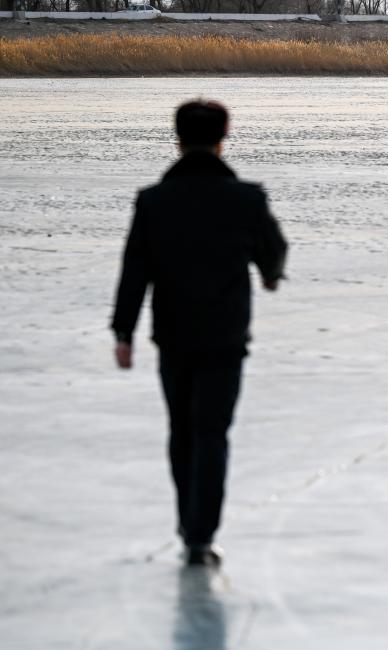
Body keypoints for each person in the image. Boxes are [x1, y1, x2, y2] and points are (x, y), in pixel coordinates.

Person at [111, 100, 288, 568]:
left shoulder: (154, 201)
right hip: (225, 335)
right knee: (212, 433)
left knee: (181, 430)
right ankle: (200, 535)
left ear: (178, 139)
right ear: (223, 138)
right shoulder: (246, 198)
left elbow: (135, 270)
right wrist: (271, 275)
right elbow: (274, 249)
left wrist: (124, 330)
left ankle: (188, 524)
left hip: (173, 333)